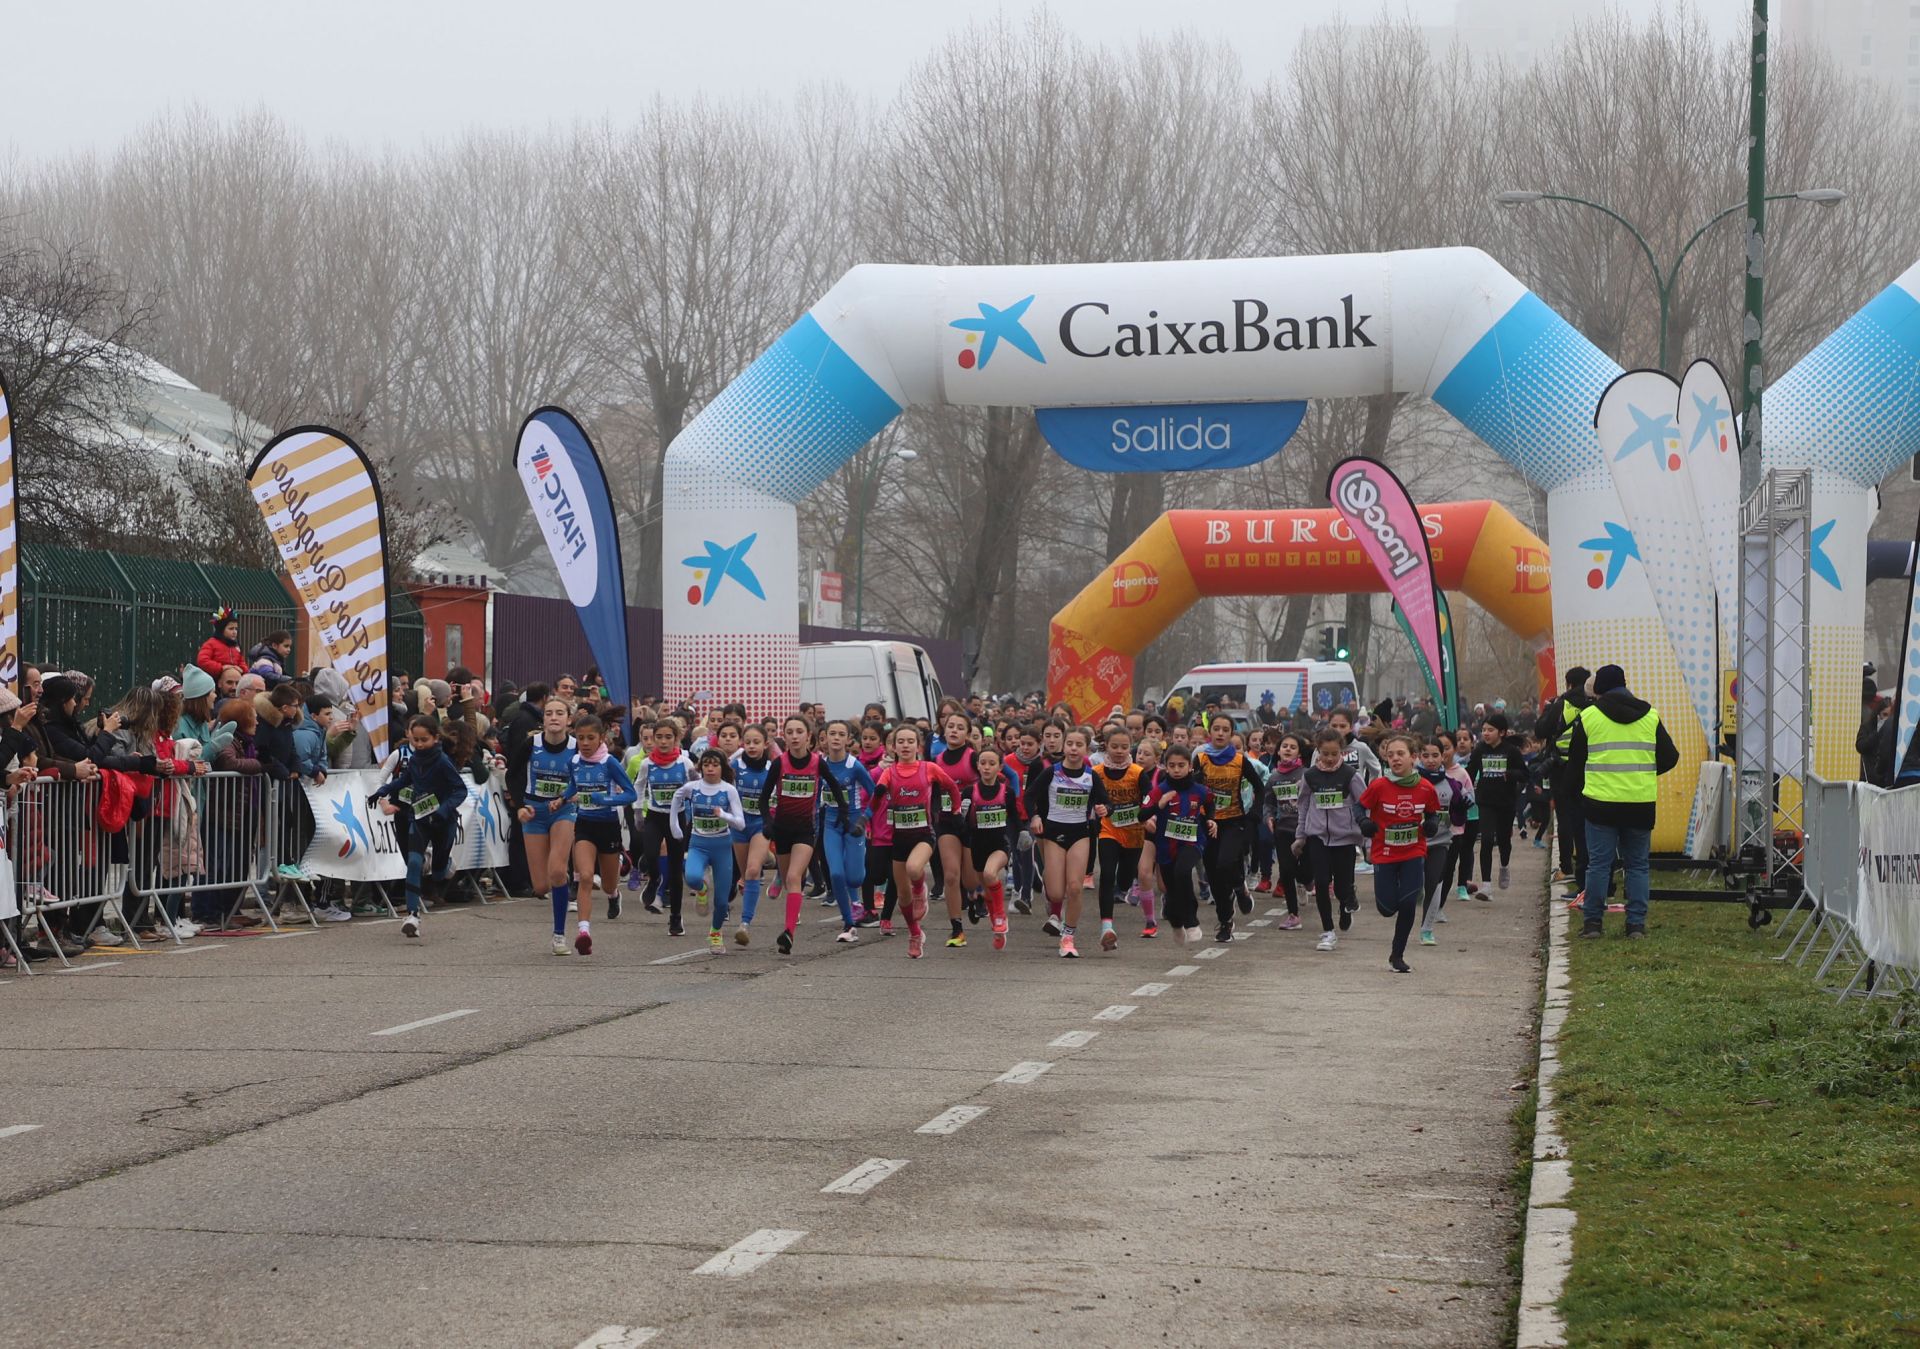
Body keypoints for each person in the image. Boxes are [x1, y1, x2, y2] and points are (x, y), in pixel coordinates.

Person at [1568, 663, 1680, 939]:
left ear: (1601, 689)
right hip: (1640, 804)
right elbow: (1670, 757)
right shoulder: (1650, 715)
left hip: (1600, 804)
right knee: (1638, 865)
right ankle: (1636, 925)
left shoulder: (1590, 717)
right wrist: (1641, 771)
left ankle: (1593, 924)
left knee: (1599, 865)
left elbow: (1575, 764)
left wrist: (1579, 793)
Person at [371, 715, 469, 940]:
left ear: (435, 738)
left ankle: (446, 865)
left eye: (424, 740)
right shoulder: (414, 760)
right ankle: (413, 917)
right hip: (421, 818)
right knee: (414, 862)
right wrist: (382, 791)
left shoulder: (443, 762)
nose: (419, 744)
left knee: (438, 872)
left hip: (444, 822)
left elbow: (460, 790)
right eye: (415, 740)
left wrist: (443, 811)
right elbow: (405, 780)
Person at [553, 714, 639, 954]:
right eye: (580, 738)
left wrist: (606, 798)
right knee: (586, 877)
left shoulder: (610, 763)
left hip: (608, 825)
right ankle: (583, 932)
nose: (585, 743)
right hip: (584, 826)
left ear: (602, 738)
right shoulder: (574, 762)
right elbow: (573, 786)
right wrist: (561, 799)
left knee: (609, 883)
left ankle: (614, 894)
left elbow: (631, 794)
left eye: (591, 738)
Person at [1359, 733, 1444, 974]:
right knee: (1387, 908)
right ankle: (1389, 896)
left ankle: (1397, 955)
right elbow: (1359, 807)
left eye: (1400, 754)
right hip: (1384, 852)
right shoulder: (1378, 786)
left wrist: (1432, 825)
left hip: (1413, 851)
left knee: (1408, 903)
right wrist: (1363, 823)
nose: (1394, 759)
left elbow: (1433, 812)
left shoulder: (1426, 787)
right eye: (1390, 755)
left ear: (1413, 758)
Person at [1023, 725, 1108, 958]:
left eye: (1078, 744)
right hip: (1053, 834)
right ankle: (1054, 908)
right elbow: (1029, 795)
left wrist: (1103, 808)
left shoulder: (1091, 776)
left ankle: (1068, 937)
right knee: (1057, 892)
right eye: (1069, 743)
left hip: (1080, 834)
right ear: (1064, 746)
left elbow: (1105, 802)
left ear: (1086, 748)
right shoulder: (1052, 772)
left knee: (1074, 888)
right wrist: (1035, 816)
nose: (1073, 748)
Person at [1293, 728, 1365, 952]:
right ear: (1318, 752)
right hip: (1318, 837)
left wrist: (1366, 839)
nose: (1330, 758)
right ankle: (1328, 931)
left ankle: (1346, 904)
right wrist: (1301, 835)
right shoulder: (1310, 776)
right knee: (1322, 883)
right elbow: (1303, 805)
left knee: (1342, 888)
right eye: (1325, 753)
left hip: (1344, 838)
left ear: (1342, 752)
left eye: (1335, 753)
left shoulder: (1350, 776)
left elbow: (1364, 806)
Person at [668, 750, 747, 953]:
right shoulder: (693, 788)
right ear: (701, 767)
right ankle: (702, 889)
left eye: (715, 765)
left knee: (722, 901)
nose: (710, 769)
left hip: (722, 846)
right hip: (698, 843)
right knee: (692, 876)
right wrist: (675, 827)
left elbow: (740, 824)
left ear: (722, 767)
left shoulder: (728, 790)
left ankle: (715, 933)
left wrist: (724, 815)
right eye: (706, 765)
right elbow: (676, 798)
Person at [515, 699, 577, 954]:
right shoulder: (532, 743)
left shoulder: (576, 747)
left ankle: (559, 935)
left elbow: (588, 775)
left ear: (568, 720)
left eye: (559, 713)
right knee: (541, 886)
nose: (554, 717)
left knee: (558, 872)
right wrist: (519, 805)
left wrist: (574, 794)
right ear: (543, 720)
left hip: (563, 811)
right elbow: (513, 773)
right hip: (534, 811)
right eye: (549, 713)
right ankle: (559, 891)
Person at [1142, 744, 1212, 946]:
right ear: (1165, 766)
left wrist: (1211, 820)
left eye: (1181, 765)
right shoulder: (1159, 790)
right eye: (1172, 765)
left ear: (1190, 766)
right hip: (1165, 847)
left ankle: (1192, 922)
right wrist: (1159, 805)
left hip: (1192, 842)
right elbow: (1141, 814)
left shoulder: (1199, 790)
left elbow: (1209, 803)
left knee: (1183, 872)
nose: (1176, 769)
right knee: (1170, 892)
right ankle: (1176, 923)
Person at [1537, 666, 1594, 894]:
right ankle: (1588, 868)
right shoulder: (1594, 706)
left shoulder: (1563, 704)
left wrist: (1548, 710)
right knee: (1587, 819)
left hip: (1562, 768)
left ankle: (1566, 867)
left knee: (1566, 818)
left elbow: (1541, 730)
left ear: (1569, 684)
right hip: (1589, 769)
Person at [1467, 712, 1528, 893]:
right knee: (1486, 840)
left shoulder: (1511, 751)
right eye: (1484, 730)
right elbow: (1469, 772)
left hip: (1506, 802)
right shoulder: (1480, 750)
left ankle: (1504, 866)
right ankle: (1486, 885)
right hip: (1485, 801)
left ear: (1501, 732)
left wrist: (1510, 775)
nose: (1486, 733)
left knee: (1503, 840)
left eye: (1490, 730)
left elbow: (1525, 774)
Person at [196, 609, 244, 680]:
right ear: (221, 630)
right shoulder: (211, 644)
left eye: (236, 629)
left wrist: (241, 669)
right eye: (231, 629)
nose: (234, 632)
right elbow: (202, 661)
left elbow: (242, 662)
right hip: (214, 680)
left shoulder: (236, 646)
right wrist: (221, 668)